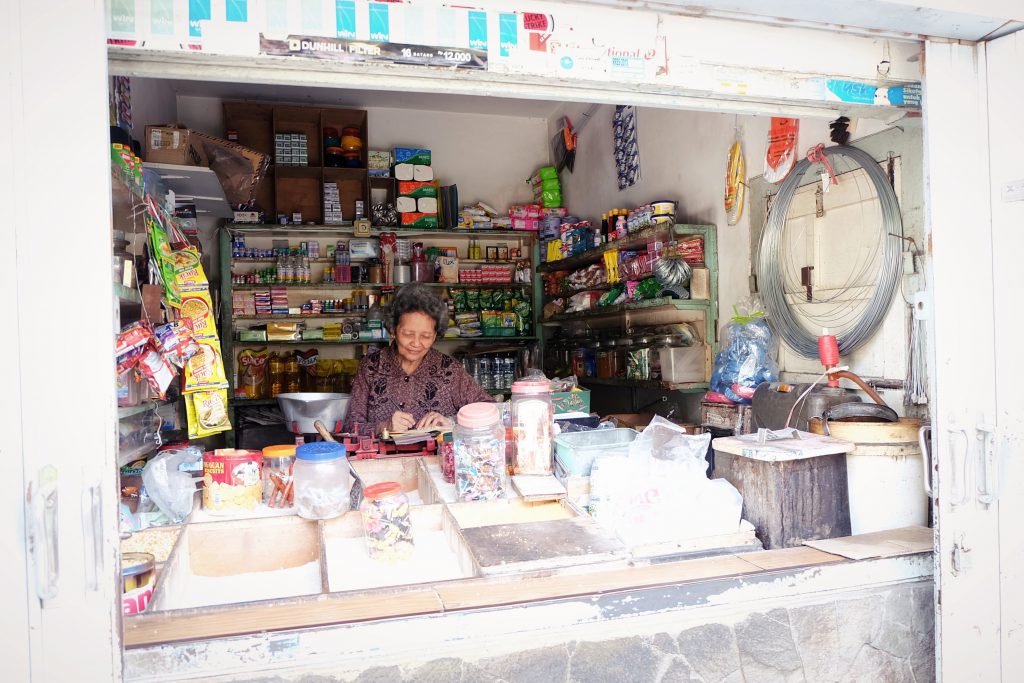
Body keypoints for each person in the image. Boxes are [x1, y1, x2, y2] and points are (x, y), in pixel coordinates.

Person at [344, 282, 493, 435]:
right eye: (408, 334)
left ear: (435, 335)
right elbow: (350, 427)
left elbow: (491, 410)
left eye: (426, 336)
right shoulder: (371, 367)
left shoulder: (449, 370)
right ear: (392, 330)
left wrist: (451, 422)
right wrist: (384, 427)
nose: (416, 343)